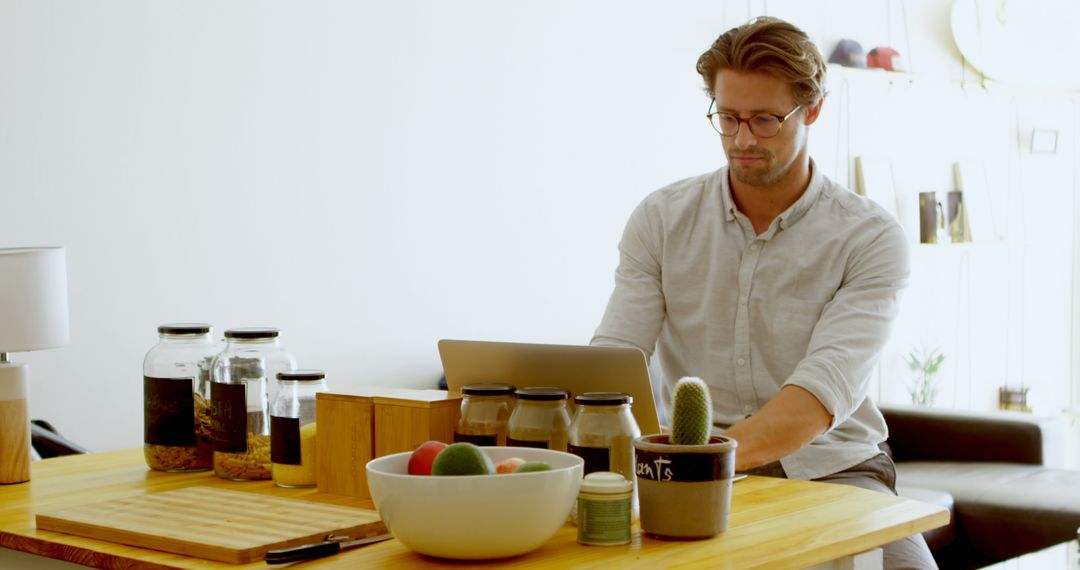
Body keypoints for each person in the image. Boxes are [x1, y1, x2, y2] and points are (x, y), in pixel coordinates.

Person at [591, 17, 935, 569]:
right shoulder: (660, 219)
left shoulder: (869, 237)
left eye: (766, 120)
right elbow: (616, 357)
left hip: (833, 469)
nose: (743, 139)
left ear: (813, 110)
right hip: (683, 471)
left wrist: (696, 458)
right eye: (727, 118)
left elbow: (821, 395)